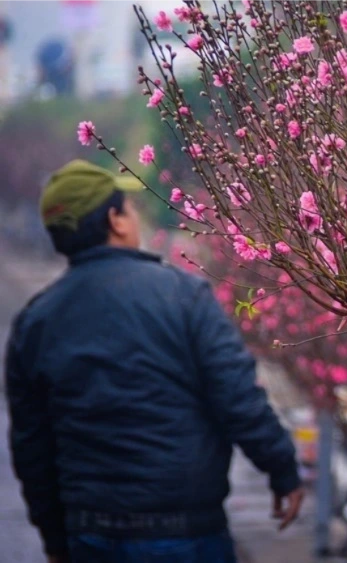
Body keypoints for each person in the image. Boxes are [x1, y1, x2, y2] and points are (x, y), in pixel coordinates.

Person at [5, 160, 304, 563]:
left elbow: (31, 445)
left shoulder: (34, 323)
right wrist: (281, 469)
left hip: (89, 532)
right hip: (185, 531)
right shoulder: (184, 297)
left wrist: (55, 539)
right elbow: (237, 397)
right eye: (128, 207)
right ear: (116, 220)